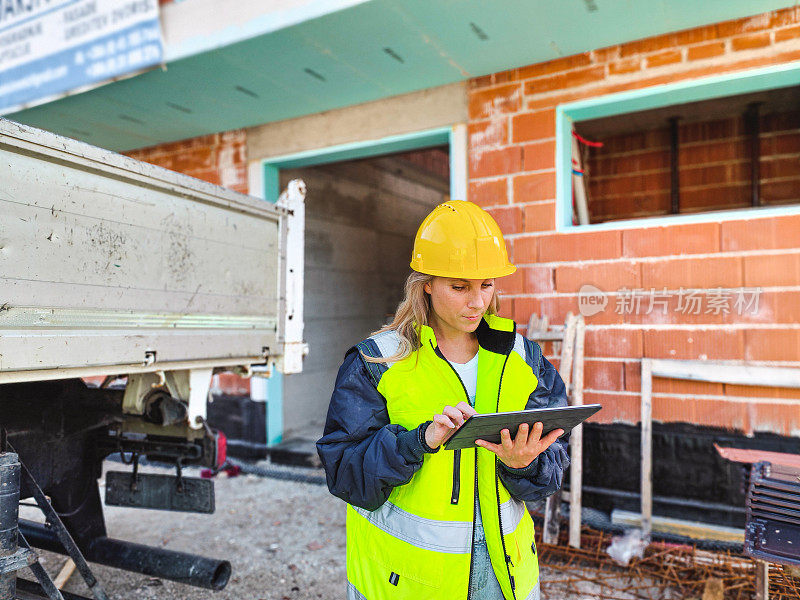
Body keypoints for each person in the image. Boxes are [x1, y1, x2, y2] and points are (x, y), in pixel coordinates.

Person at [317, 200, 570, 600]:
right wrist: (417, 442)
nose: (477, 302)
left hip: (506, 581)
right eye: (460, 287)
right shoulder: (378, 362)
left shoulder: (524, 359)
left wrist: (528, 464)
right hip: (409, 582)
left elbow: (554, 466)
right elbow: (345, 473)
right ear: (427, 284)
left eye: (486, 284)